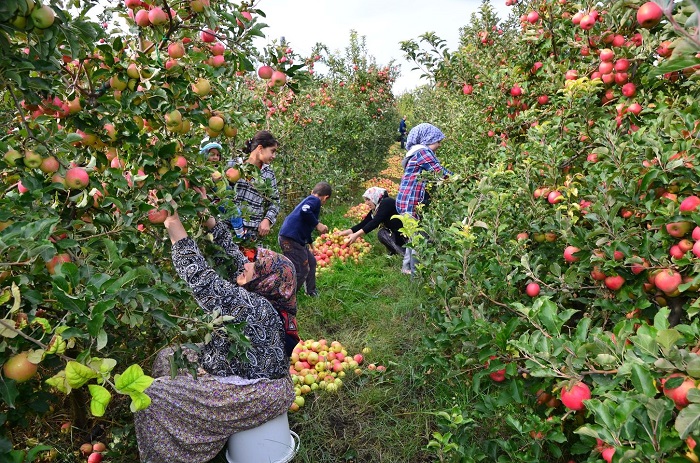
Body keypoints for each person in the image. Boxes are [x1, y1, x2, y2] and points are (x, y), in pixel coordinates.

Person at [134, 211, 295, 463]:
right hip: (249, 370)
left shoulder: (254, 307)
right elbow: (234, 255)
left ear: (265, 280)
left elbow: (201, 279)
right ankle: (182, 425)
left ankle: (170, 455)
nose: (245, 263)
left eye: (253, 264)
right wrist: (207, 217)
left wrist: (173, 221)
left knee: (151, 396)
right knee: (169, 357)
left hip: (256, 394)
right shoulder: (267, 296)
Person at [396, 123, 452, 276]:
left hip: (406, 201)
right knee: (418, 240)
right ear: (428, 139)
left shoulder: (415, 152)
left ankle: (406, 268)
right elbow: (440, 172)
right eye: (438, 141)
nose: (439, 145)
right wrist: (462, 180)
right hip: (410, 202)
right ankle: (417, 277)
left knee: (413, 236)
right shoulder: (422, 152)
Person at [278, 182, 332, 297]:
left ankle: (310, 292)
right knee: (301, 270)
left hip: (291, 238)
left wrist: (311, 245)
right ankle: (286, 297)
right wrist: (318, 224)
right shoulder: (315, 200)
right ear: (326, 197)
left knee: (311, 261)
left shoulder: (310, 200)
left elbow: (305, 227)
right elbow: (305, 211)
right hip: (290, 239)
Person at [229, 131, 280, 242]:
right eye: (272, 151)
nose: (274, 156)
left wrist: (267, 220)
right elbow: (220, 193)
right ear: (260, 148)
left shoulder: (268, 174)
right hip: (228, 228)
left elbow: (275, 202)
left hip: (252, 234)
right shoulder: (235, 165)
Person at [338, 187, 406, 256]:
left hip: (405, 235)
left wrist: (356, 235)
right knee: (382, 232)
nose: (366, 203)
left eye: (368, 199)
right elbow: (364, 223)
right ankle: (398, 251)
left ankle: (402, 252)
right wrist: (344, 233)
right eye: (365, 200)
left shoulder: (386, 202)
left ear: (375, 197)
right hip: (397, 234)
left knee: (382, 233)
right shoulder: (376, 209)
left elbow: (375, 222)